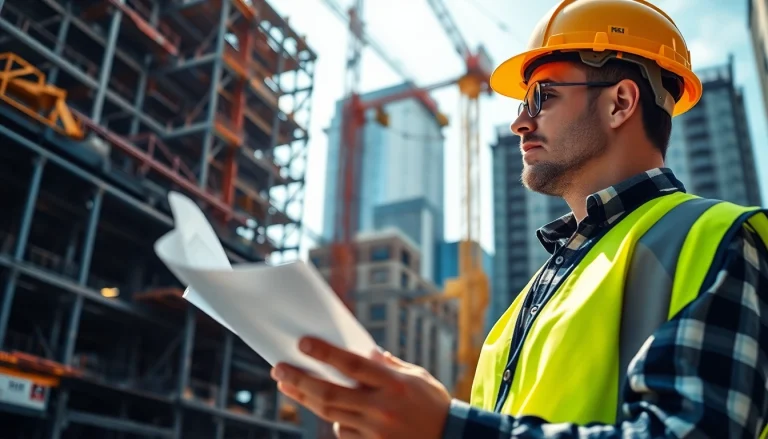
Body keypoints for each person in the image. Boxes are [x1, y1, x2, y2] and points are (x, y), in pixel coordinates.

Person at [270, 0, 768, 437]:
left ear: (620, 102)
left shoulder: (718, 240)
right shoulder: (526, 304)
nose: (519, 121)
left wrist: (447, 428)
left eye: (543, 97)